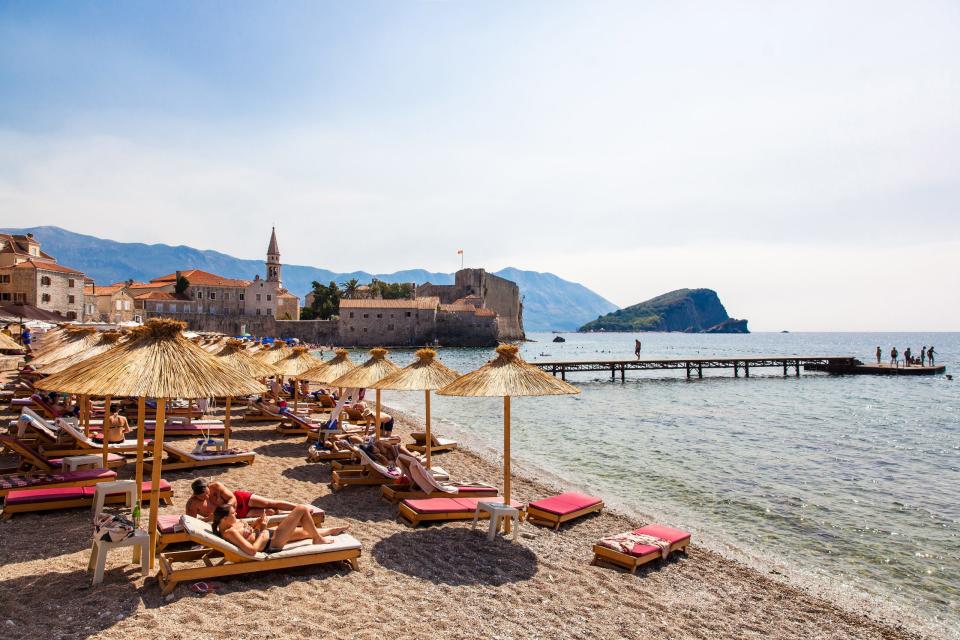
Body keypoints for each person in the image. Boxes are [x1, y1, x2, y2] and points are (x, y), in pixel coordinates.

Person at [212, 503, 349, 554]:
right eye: (233, 513)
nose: (236, 513)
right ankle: (318, 539)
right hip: (270, 543)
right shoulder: (230, 532)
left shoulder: (231, 523)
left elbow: (249, 533)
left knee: (305, 532)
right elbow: (252, 550)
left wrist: (257, 524)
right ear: (224, 519)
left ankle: (331, 531)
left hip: (267, 535)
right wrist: (264, 530)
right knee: (301, 509)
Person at [186, 478, 302, 521]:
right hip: (236, 514)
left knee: (269, 502)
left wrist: (226, 508)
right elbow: (191, 522)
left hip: (240, 499)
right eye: (202, 496)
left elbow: (232, 498)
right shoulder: (192, 504)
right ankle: (293, 513)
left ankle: (300, 508)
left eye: (207, 494)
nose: (206, 497)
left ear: (208, 487)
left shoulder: (216, 486)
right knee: (271, 511)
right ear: (195, 495)